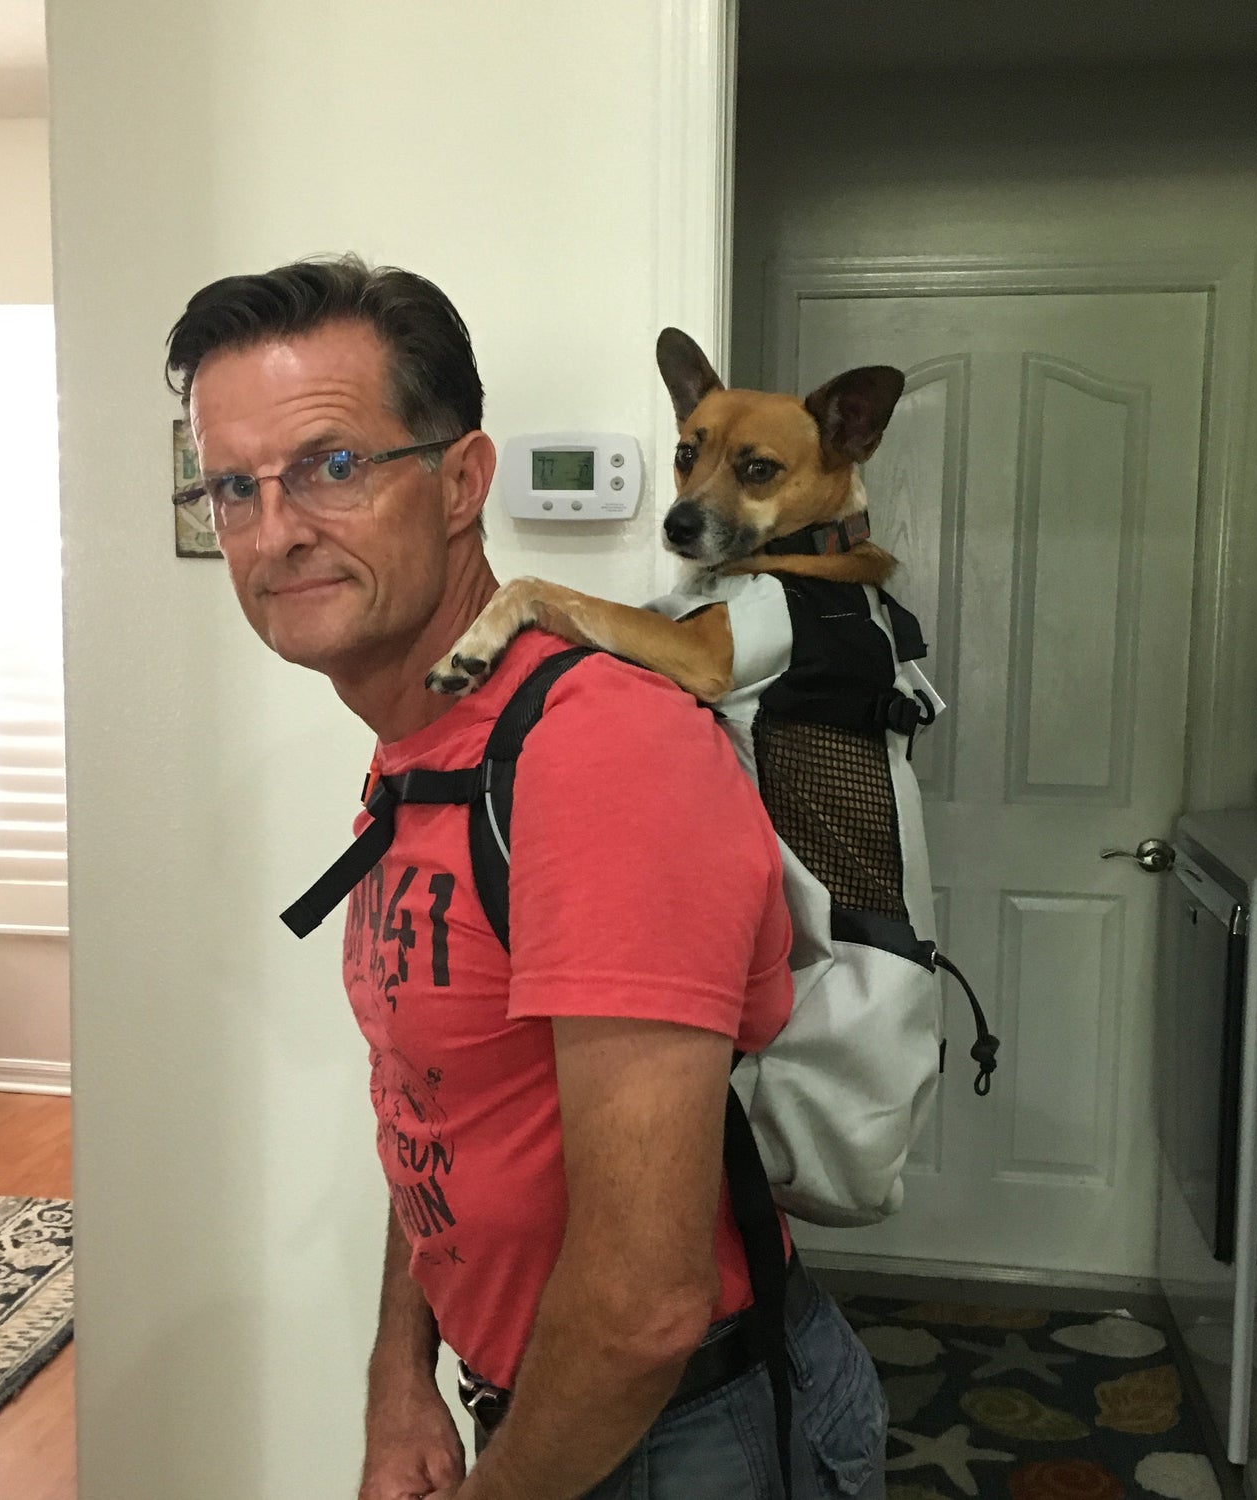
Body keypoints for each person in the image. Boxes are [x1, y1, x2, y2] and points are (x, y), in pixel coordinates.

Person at [165, 255, 888, 1500]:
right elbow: (437, 1100)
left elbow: (645, 1309)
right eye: (235, 486)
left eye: (333, 465)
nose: (276, 529)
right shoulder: (428, 751)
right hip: (549, 1415)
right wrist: (402, 1384)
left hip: (683, 1443)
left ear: (463, 481)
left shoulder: (602, 753)